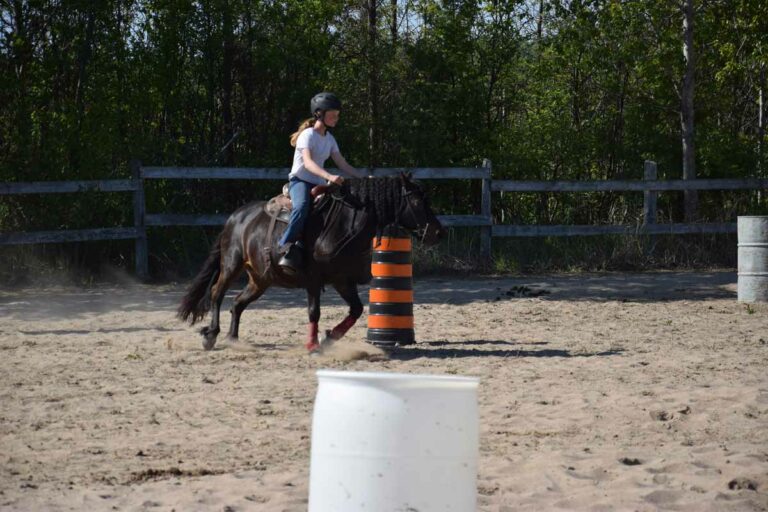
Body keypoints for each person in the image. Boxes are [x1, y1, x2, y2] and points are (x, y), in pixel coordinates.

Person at [278, 92, 366, 274]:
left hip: (318, 184)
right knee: (301, 206)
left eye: (337, 114)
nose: (336, 118)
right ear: (319, 114)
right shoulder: (307, 135)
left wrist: (361, 178)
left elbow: (342, 163)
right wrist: (329, 176)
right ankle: (285, 245)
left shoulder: (330, 139)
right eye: (333, 114)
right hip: (300, 181)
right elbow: (308, 163)